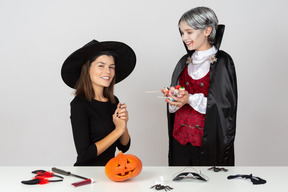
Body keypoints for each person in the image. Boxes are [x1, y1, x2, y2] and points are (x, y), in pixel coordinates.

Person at [161, 7, 237, 166]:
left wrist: (190, 98)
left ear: (207, 30)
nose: (184, 37)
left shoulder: (223, 61)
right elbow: (177, 101)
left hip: (207, 142)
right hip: (179, 139)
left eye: (189, 32)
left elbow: (224, 106)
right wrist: (174, 98)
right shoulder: (184, 61)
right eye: (182, 33)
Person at [61, 40, 136, 166]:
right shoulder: (79, 104)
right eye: (101, 66)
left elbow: (124, 147)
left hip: (110, 171)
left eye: (111, 67)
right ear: (87, 69)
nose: (108, 71)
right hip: (87, 173)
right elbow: (84, 154)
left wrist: (123, 125)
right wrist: (118, 130)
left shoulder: (113, 101)